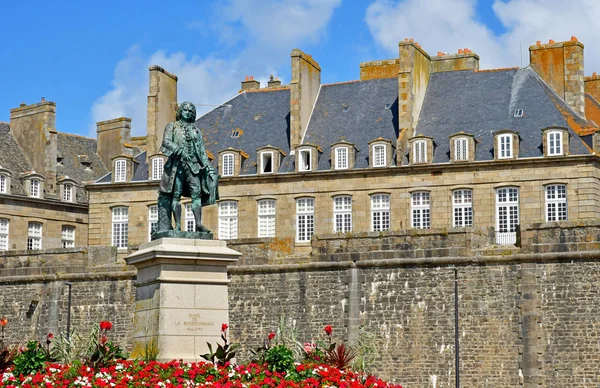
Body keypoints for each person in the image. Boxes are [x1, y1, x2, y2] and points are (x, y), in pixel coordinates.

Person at [156, 101, 218, 234]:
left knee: (196, 195)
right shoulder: (172, 126)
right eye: (185, 110)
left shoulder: (196, 131)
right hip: (177, 165)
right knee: (176, 194)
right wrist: (177, 149)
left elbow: (201, 151)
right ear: (180, 111)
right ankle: (178, 225)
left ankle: (199, 224)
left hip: (194, 165)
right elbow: (166, 141)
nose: (188, 112)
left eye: (191, 111)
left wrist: (208, 167)